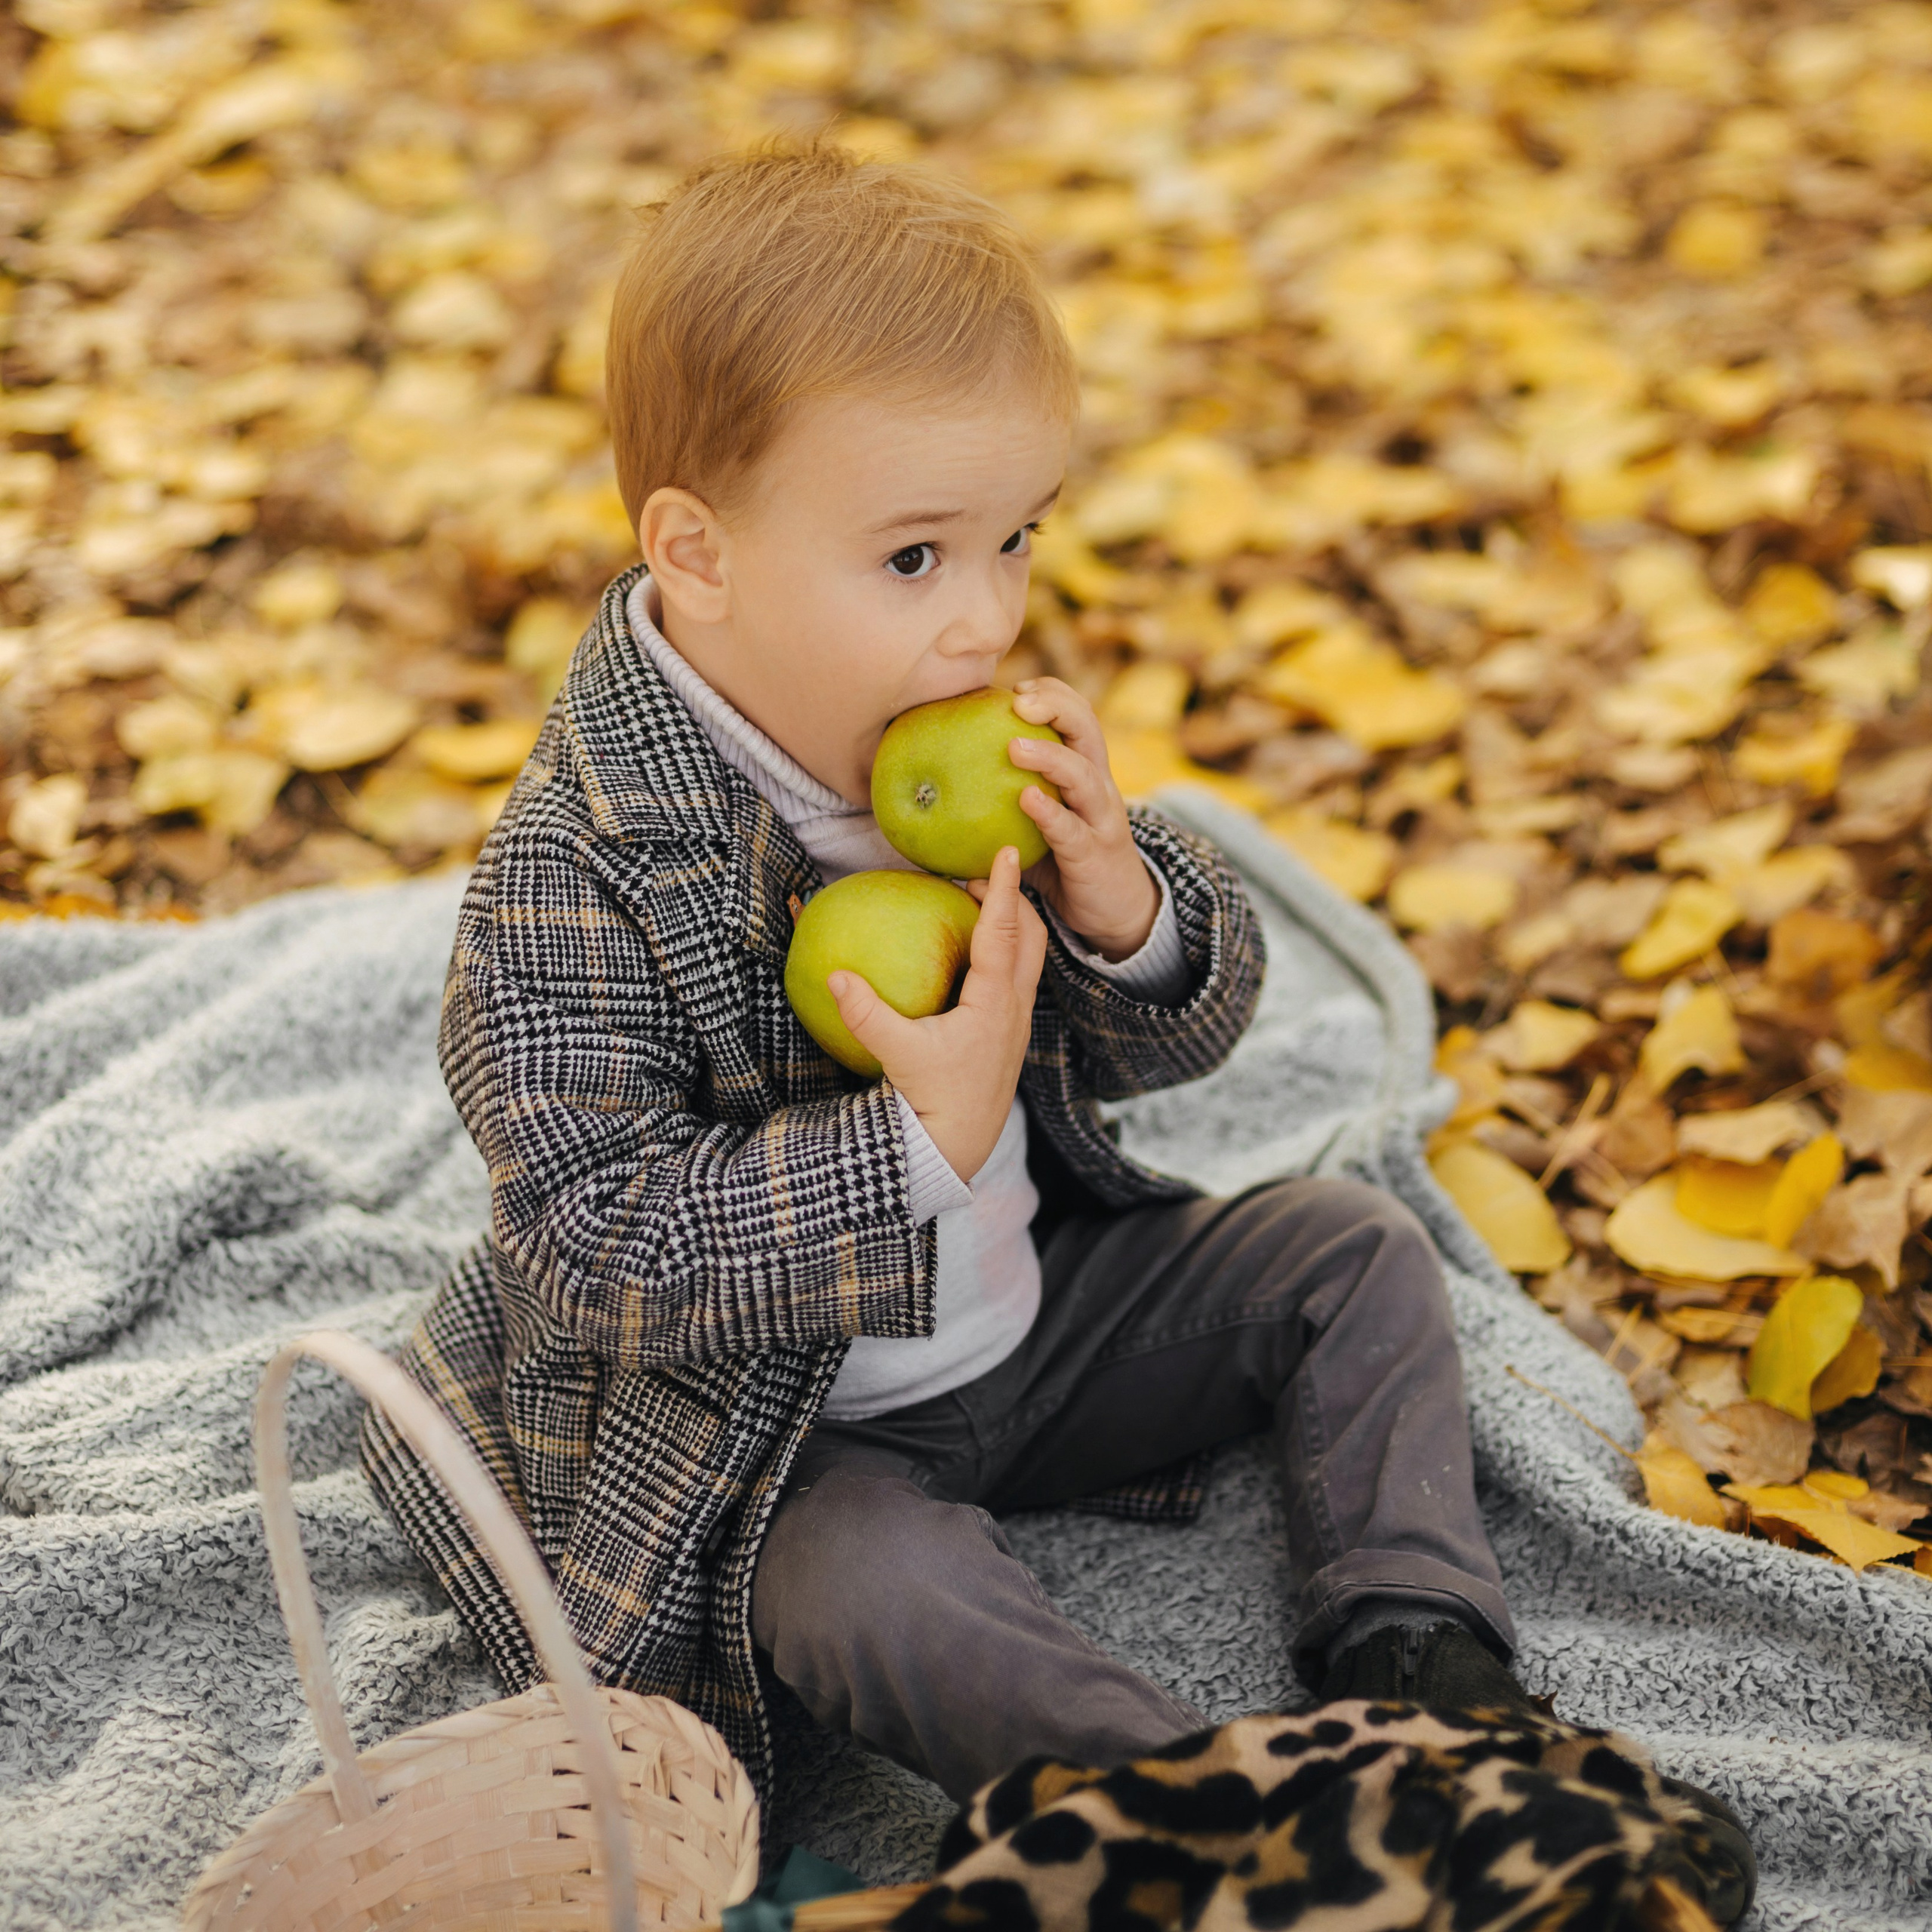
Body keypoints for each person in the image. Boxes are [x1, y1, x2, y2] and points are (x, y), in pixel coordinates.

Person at [361, 143, 1752, 1923]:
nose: (984, 610)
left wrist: (1123, 904)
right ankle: (1210, 1799)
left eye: (1016, 535)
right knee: (863, 1595)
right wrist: (906, 1146)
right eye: (920, 552)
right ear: (696, 554)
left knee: (1350, 1244)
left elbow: (1170, 1041)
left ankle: (1420, 1665)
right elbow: (587, 1240)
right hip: (798, 1436)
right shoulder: (572, 878)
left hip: (1037, 1317)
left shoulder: (925, 713)